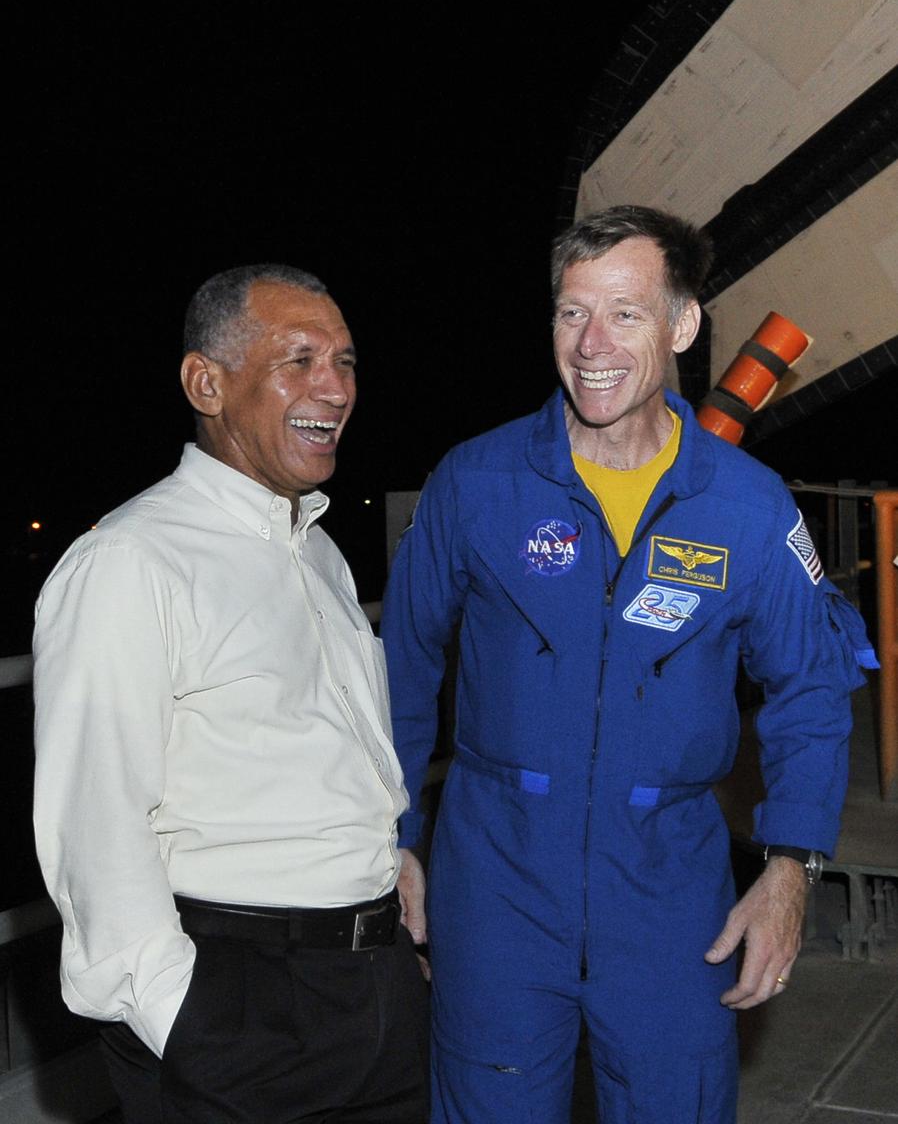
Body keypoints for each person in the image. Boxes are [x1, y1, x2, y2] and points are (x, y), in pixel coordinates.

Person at [380, 207, 875, 1123]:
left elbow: (810, 687)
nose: (592, 344)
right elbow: (403, 668)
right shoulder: (476, 483)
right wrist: (396, 837)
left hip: (669, 895)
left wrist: (791, 869)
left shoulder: (747, 507)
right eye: (572, 313)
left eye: (625, 313)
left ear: (683, 326)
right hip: (495, 887)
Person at [33, 264, 429, 1124]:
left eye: (347, 361)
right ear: (206, 382)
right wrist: (184, 1015)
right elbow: (92, 824)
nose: (336, 386)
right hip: (241, 1003)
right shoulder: (131, 562)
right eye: (299, 359)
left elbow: (318, 746)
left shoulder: (317, 550)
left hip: (375, 988)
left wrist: (385, 865)